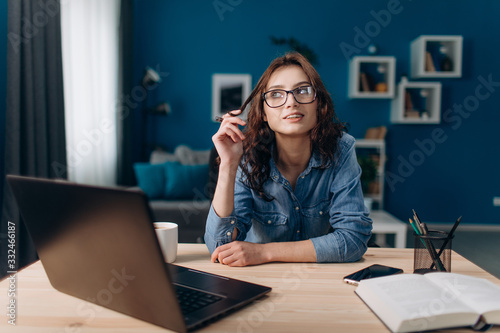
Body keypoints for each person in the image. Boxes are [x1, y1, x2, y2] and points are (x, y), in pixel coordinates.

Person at [205, 52, 372, 267]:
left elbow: (354, 239)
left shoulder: (341, 148)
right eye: (276, 94)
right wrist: (228, 164)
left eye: (302, 91)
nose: (291, 102)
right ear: (263, 112)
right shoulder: (247, 156)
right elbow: (219, 245)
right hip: (258, 279)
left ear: (318, 105)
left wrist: (265, 252)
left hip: (318, 280)